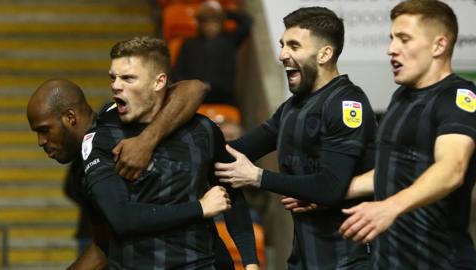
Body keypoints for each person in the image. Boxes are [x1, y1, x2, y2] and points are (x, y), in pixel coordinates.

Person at [212, 7, 377, 269]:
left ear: (324, 54)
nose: (282, 55)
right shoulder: (292, 108)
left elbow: (331, 186)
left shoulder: (347, 103)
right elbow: (234, 151)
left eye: (294, 46)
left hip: (348, 260)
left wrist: (258, 177)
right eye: (281, 45)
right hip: (304, 257)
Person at [81, 36, 259, 269]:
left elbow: (233, 195)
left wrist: (250, 262)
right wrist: (199, 208)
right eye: (113, 77)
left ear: (159, 82)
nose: (116, 85)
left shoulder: (202, 129)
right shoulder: (102, 138)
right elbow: (121, 218)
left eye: (128, 78)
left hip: (201, 263)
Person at [25, 77, 232, 269]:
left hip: (202, 258)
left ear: (70, 117)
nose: (40, 141)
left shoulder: (118, 118)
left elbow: (193, 88)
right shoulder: (82, 171)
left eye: (44, 130)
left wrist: (146, 140)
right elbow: (105, 243)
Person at [339, 1, 476, 269]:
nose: (391, 49)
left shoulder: (458, 98)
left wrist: (388, 207)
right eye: (391, 39)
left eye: (404, 39)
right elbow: (391, 172)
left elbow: (452, 168)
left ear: (439, 46)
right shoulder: (401, 97)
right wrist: (330, 192)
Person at [172, 0, 252, 105]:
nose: (210, 26)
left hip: (223, 98)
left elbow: (246, 22)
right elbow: (177, 74)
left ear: (221, 23)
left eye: (215, 22)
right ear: (200, 24)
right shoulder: (188, 44)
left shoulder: (229, 41)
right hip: (193, 99)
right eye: (206, 22)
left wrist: (222, 12)